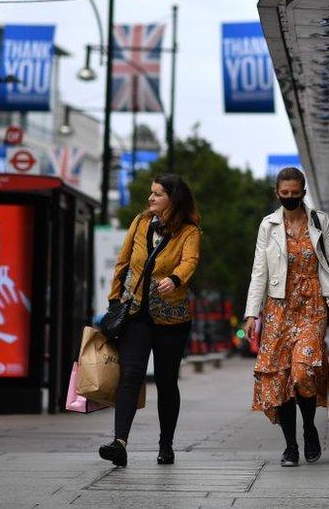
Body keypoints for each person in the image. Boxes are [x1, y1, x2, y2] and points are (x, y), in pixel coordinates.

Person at [244, 167, 329, 467]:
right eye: (284, 194)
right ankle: (291, 445)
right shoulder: (268, 225)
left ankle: (310, 428)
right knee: (280, 378)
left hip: (313, 305)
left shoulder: (320, 221)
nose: (289, 198)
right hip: (278, 308)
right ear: (277, 193)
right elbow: (259, 271)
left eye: (295, 193)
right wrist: (252, 313)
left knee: (302, 372)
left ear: (303, 191)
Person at [99, 174, 202, 468]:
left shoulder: (189, 231)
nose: (150, 198)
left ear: (173, 198)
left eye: (157, 194)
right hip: (135, 313)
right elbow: (123, 260)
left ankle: (165, 444)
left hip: (172, 318)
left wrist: (175, 278)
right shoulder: (141, 222)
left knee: (167, 381)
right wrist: (114, 299)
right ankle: (120, 442)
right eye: (151, 193)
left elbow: (190, 261)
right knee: (130, 374)